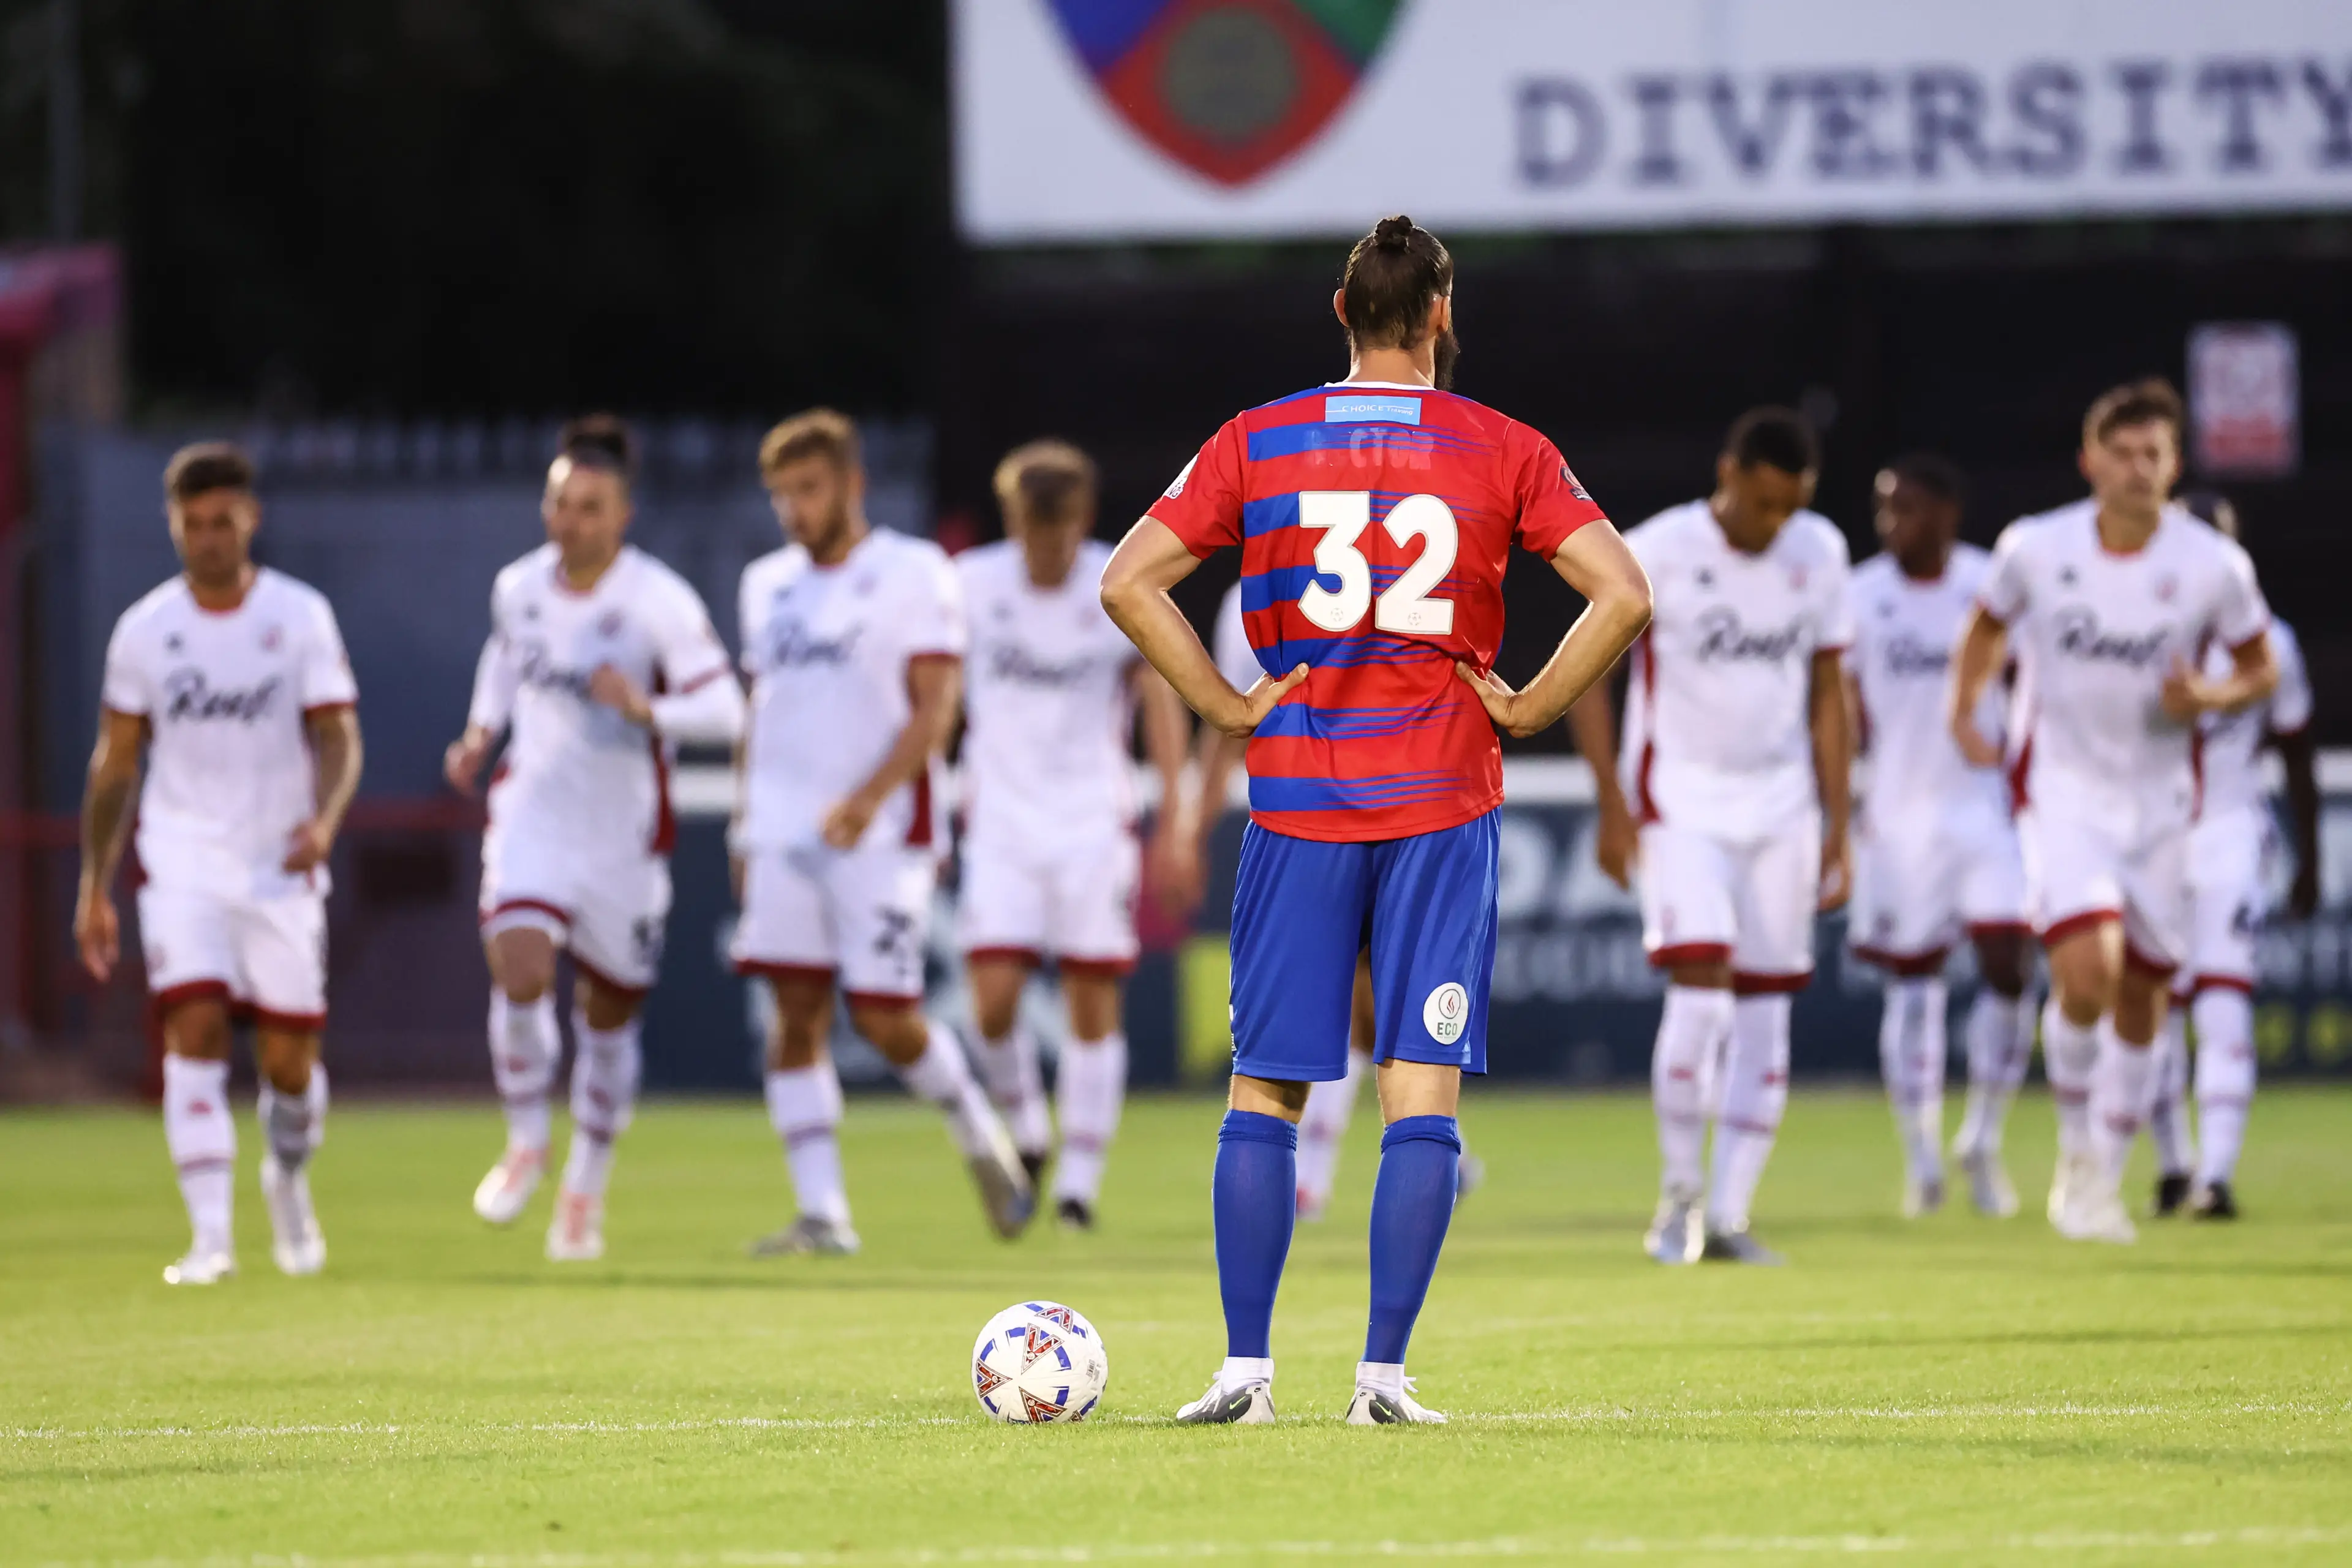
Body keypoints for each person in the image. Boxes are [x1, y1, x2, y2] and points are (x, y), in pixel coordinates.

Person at [1101, 215, 1650, 1425]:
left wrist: (1225, 701)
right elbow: (1624, 592)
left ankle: (1244, 1372)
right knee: (1421, 1092)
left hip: (1297, 799)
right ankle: (1382, 1380)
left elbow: (1128, 578)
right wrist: (1530, 704)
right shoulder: (1505, 447)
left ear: (1339, 314)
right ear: (1442, 316)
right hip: (1444, 801)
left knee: (1267, 1089)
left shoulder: (1262, 438)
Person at [1948, 379, 2276, 1246]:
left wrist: (2210, 691)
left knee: (2144, 997)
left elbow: (2261, 666)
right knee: (2085, 973)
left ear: (2175, 465)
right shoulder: (2036, 549)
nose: (2138, 469)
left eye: (2155, 454)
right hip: (2061, 792)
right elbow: (1984, 629)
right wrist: (1965, 707)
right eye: (2123, 453)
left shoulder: (2212, 564)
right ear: (2090, 461)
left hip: (2165, 803)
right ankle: (2074, 1157)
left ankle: (2103, 1172)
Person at [733, 409, 1034, 1254]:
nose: (793, 510)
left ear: (852, 485)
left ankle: (981, 1133)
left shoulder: (912, 572)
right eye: (781, 494)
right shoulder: (766, 584)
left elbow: (937, 707)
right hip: (782, 831)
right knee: (791, 1017)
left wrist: (869, 797)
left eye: (809, 489)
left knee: (884, 1014)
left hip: (882, 833)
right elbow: (764, 709)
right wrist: (744, 828)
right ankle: (824, 1215)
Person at [445, 417, 745, 1262]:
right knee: (522, 964)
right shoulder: (519, 586)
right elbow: (506, 659)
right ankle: (525, 1139)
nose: (569, 520)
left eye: (588, 506)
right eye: (558, 503)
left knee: (608, 1021)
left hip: (622, 840)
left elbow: (727, 710)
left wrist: (648, 708)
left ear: (623, 515)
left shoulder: (658, 601)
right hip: (533, 816)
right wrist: (480, 732)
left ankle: (586, 1182)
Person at [1569, 408, 1856, 1267]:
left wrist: (1838, 826)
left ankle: (1731, 1213)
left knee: (1766, 1013)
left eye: (1792, 507)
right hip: (1680, 806)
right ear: (1728, 474)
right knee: (1700, 997)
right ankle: (1678, 1198)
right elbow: (1589, 678)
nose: (1777, 525)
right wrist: (1612, 804)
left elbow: (1829, 693)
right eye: (1765, 503)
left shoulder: (1821, 553)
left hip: (1783, 813)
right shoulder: (1654, 550)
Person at [75, 442, 363, 1284]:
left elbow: (339, 733)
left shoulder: (299, 616)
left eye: (222, 521)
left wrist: (328, 817)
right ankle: (210, 1240)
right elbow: (115, 762)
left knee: (289, 1068)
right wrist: (94, 885)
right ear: (174, 524)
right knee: (191, 1031)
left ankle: (289, 1177)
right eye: (191, 523)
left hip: (280, 864)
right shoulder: (146, 630)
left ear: (250, 519)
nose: (207, 537)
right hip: (182, 863)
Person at [1192, 582, 1484, 1221]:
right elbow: (1232, 710)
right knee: (1348, 1003)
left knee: (1367, 1000)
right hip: (1306, 815)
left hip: (1395, 808)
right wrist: (1198, 823)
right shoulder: (1250, 591)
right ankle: (1428, 1151)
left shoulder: (1340, 568)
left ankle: (1327, 1175)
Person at [955, 439, 1191, 1229]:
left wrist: (1177, 820)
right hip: (1000, 821)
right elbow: (936, 694)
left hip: (1093, 820)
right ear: (1010, 519)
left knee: (1094, 996)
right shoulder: (969, 586)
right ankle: (1027, 1128)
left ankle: (1078, 1183)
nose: (1041, 547)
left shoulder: (1116, 582)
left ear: (1081, 520)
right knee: (990, 1001)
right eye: (1027, 528)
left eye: (1053, 531)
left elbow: (1161, 698)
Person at [1844, 455, 2037, 1219]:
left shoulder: (1991, 587)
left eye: (1911, 509)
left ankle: (1982, 1138)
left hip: (1989, 811)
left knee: (2009, 963)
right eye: (1886, 507)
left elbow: (2034, 686)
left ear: (1950, 514)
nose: (1895, 523)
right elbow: (1841, 705)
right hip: (1898, 818)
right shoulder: (1861, 596)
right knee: (1914, 983)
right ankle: (1921, 1155)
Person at [2143, 490, 2316, 1221]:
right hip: (2146, 836)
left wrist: (2311, 856)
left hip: (2229, 833)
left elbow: (2298, 748)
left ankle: (2213, 1173)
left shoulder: (2271, 641)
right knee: (2150, 1007)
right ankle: (2174, 1164)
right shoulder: (2138, 629)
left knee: (2220, 1002)